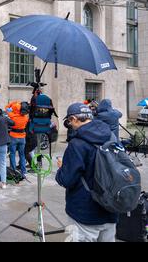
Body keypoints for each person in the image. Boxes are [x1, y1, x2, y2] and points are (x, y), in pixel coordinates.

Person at [55, 103, 118, 242]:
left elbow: (66, 179)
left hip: (85, 212)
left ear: (74, 119)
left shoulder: (77, 144)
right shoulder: (111, 136)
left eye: (69, 121)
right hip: (111, 206)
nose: (70, 125)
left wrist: (62, 168)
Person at [5, 101, 29, 178]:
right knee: (22, 154)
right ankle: (24, 171)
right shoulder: (25, 118)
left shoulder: (13, 116)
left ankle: (13, 170)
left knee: (12, 154)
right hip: (22, 137)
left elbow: (7, 108)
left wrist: (14, 102)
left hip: (13, 137)